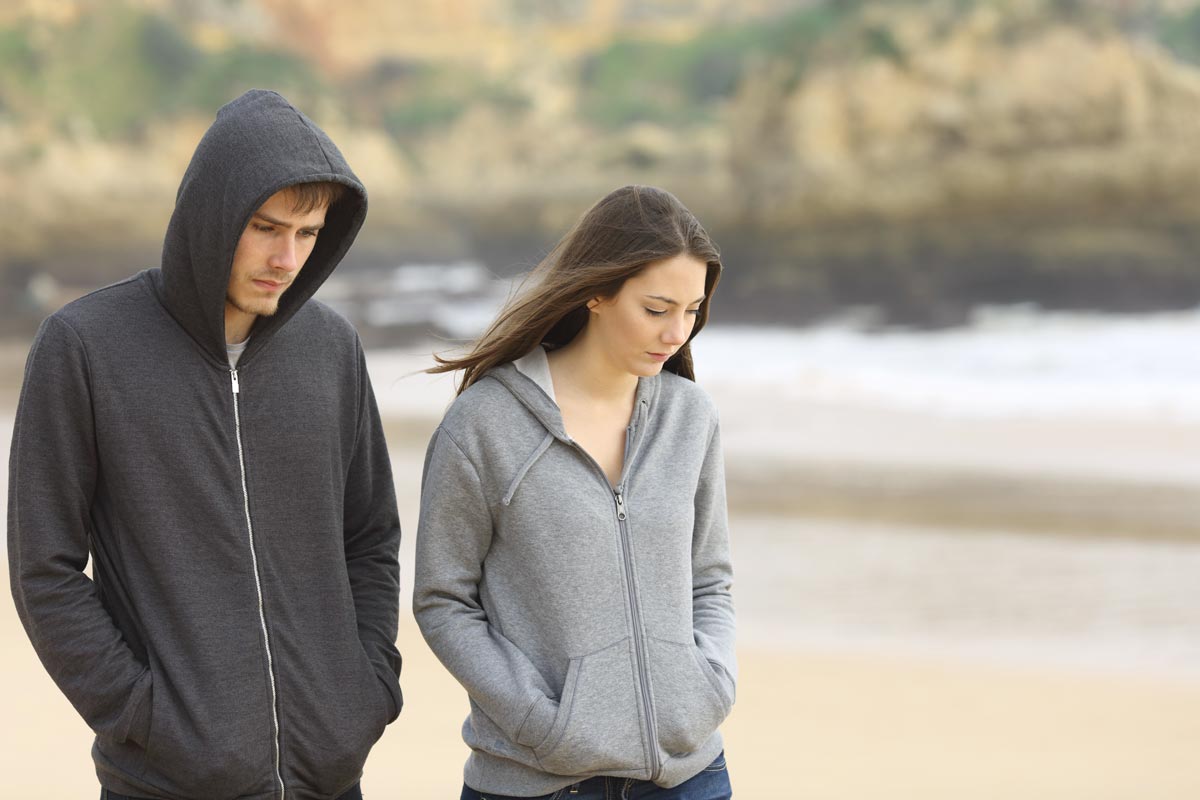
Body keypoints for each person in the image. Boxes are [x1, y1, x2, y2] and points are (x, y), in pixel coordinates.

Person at [7, 89, 402, 800]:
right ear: (210, 216)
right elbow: (45, 566)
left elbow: (370, 537)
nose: (287, 257)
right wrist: (140, 713)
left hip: (330, 778)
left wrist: (366, 688)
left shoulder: (330, 349)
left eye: (309, 234)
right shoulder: (88, 347)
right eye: (265, 227)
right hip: (165, 781)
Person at [414, 185, 736, 800]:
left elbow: (709, 578)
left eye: (692, 310)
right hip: (538, 782)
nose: (677, 332)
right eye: (657, 308)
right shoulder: (486, 425)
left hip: (688, 775)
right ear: (595, 291)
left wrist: (711, 686)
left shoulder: (690, 417)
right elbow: (443, 599)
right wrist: (542, 723)